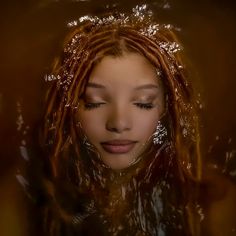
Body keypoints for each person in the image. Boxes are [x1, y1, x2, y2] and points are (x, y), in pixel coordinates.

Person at [35, 5, 202, 236]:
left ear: (168, 108)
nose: (119, 123)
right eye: (94, 102)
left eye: (144, 102)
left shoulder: (210, 201)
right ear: (67, 109)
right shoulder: (21, 201)